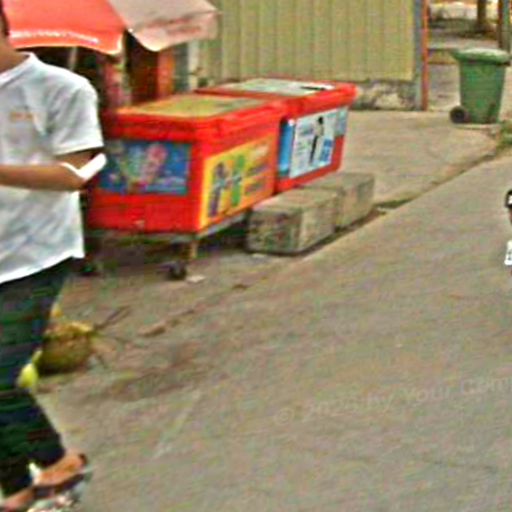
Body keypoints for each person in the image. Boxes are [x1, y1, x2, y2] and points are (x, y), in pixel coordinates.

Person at [0, 2, 104, 511]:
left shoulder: (63, 89)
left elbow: (74, 174)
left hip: (35, 253)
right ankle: (16, 485)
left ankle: (59, 461)